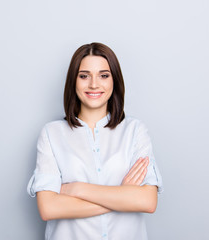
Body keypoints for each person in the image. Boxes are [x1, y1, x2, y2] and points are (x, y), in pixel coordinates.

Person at [27, 42, 163, 240]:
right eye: (84, 76)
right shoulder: (51, 134)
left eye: (103, 75)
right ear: (73, 81)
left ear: (114, 80)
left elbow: (147, 202)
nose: (93, 84)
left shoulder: (135, 131)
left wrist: (77, 189)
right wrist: (122, 196)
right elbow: (49, 208)